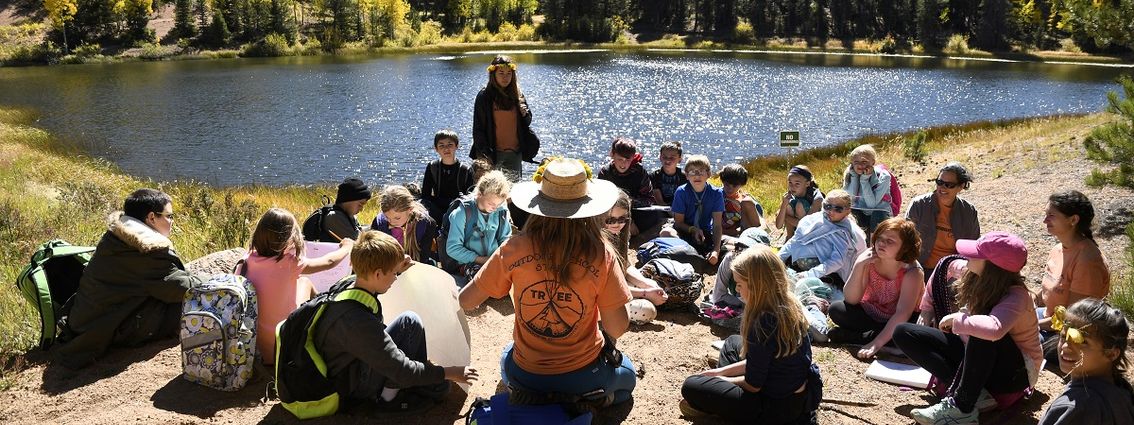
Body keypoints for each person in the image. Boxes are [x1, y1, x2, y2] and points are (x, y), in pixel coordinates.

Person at [458, 158, 637, 406]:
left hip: (527, 374)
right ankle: (588, 399)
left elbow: (467, 301)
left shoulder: (513, 248)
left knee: (507, 355)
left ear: (538, 205)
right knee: (628, 378)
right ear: (588, 206)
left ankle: (537, 397)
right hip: (583, 372)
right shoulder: (600, 254)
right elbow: (616, 328)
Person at [312, 231, 478, 411]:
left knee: (410, 322)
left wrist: (396, 263)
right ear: (377, 274)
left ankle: (406, 386)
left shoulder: (351, 282)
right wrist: (450, 372)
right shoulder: (356, 321)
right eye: (393, 273)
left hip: (351, 364)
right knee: (440, 387)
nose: (396, 278)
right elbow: (400, 369)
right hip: (352, 386)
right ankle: (386, 402)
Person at [893, 232, 1042, 424]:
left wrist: (959, 320)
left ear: (992, 266)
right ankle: (976, 394)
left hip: (1013, 375)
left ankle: (962, 407)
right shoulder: (974, 272)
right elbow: (943, 266)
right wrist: (927, 309)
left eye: (977, 253)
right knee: (904, 333)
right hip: (976, 356)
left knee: (982, 329)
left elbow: (994, 329)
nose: (968, 256)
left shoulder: (1017, 296)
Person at [55, 189, 205, 368]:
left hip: (89, 319)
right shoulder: (144, 248)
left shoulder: (117, 236)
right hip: (106, 328)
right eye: (169, 216)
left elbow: (161, 277)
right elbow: (177, 288)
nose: (172, 221)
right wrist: (208, 280)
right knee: (189, 306)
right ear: (151, 218)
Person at [680, 246, 822, 424]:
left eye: (739, 284)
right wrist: (719, 371)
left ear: (756, 285)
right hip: (795, 397)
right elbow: (766, 360)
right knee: (733, 343)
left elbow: (753, 385)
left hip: (774, 409)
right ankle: (722, 399)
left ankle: (726, 411)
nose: (737, 290)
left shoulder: (763, 323)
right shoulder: (788, 305)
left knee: (691, 385)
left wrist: (722, 379)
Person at [244, 208, 355, 364]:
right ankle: (323, 318)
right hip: (284, 347)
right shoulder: (289, 263)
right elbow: (329, 262)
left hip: (261, 349)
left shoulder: (247, 259)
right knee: (304, 282)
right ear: (289, 237)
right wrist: (346, 247)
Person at [827, 218, 925, 359]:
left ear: (905, 247)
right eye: (880, 238)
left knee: (908, 331)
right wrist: (858, 266)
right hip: (872, 312)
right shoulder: (869, 259)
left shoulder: (912, 272)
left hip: (900, 319)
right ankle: (880, 339)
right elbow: (851, 300)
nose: (881, 243)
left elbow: (903, 313)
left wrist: (875, 344)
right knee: (836, 310)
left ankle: (863, 337)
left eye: (890, 241)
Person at [1037, 190, 1111, 365]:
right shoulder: (1058, 249)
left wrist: (1033, 324)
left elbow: (1074, 318)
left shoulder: (1087, 261)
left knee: (1010, 336)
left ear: (1073, 220)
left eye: (1051, 216)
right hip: (1048, 319)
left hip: (1068, 335)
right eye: (1046, 215)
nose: (1045, 221)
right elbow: (1048, 291)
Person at [1038, 298, 1134, 425]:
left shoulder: (1075, 408)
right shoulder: (1121, 390)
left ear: (1111, 353)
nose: (1066, 346)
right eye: (1063, 336)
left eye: (1082, 342)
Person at [778, 189, 867, 289]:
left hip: (825, 275)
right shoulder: (812, 220)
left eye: (838, 209)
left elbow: (837, 261)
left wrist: (809, 275)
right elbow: (794, 241)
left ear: (847, 211)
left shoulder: (846, 232)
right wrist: (778, 259)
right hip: (797, 267)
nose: (831, 211)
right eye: (827, 206)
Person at [471, 55, 538, 181]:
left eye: (509, 73)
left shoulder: (517, 94)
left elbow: (527, 122)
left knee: (513, 194)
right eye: (501, 73)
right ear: (493, 74)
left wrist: (525, 114)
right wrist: (486, 154)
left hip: (514, 154)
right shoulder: (484, 96)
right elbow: (478, 128)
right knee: (492, 193)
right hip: (493, 155)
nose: (505, 77)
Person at [905, 162, 980, 272]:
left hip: (953, 271)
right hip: (920, 268)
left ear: (961, 186)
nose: (942, 188)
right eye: (939, 182)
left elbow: (973, 246)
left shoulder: (969, 211)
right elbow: (905, 238)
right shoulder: (919, 205)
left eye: (949, 185)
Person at [444, 170, 512, 285]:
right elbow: (453, 248)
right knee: (485, 281)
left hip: (494, 260)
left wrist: (500, 259)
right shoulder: (462, 213)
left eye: (499, 204)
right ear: (479, 194)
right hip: (469, 262)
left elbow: (505, 240)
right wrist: (481, 260)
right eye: (491, 204)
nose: (495, 208)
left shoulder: (502, 211)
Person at [603, 191, 668, 306]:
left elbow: (625, 265)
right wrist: (644, 293)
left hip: (617, 284)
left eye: (622, 219)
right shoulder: (597, 242)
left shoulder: (619, 234)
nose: (616, 224)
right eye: (610, 220)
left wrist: (646, 284)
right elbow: (604, 286)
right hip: (602, 291)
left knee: (658, 287)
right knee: (646, 310)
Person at [660, 154, 725, 265]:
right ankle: (690, 251)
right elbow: (679, 222)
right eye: (692, 172)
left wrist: (716, 250)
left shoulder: (716, 193)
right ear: (686, 175)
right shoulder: (681, 192)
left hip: (705, 231)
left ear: (708, 174)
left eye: (701, 171)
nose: (697, 175)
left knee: (731, 244)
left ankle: (692, 253)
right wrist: (693, 230)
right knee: (666, 232)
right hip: (685, 229)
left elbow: (717, 225)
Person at [372, 185, 439, 266]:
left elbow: (423, 259)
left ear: (410, 210)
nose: (391, 222)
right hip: (388, 267)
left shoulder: (426, 224)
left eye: (397, 218)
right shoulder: (379, 223)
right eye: (387, 217)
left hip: (415, 266)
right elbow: (375, 256)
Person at [421, 129, 474, 225]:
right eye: (441, 146)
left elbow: (470, 196)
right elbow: (425, 194)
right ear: (436, 149)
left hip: (458, 209)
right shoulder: (433, 166)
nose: (446, 149)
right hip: (437, 207)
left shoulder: (465, 169)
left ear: (457, 146)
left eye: (450, 145)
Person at [842, 144, 893, 240]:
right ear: (852, 163)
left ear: (873, 162)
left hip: (878, 211)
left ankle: (874, 247)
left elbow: (871, 205)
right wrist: (854, 178)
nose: (860, 165)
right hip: (859, 209)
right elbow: (850, 199)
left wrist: (864, 180)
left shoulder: (884, 176)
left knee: (877, 215)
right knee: (849, 216)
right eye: (856, 162)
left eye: (864, 161)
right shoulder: (850, 174)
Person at [775, 165, 823, 242]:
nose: (792, 187)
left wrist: (785, 217)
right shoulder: (789, 196)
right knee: (788, 206)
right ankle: (790, 239)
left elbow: (807, 224)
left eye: (797, 183)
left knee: (800, 205)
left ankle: (803, 240)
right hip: (797, 226)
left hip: (814, 232)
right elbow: (778, 226)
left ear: (807, 184)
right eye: (790, 182)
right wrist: (784, 205)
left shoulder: (817, 198)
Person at [719, 163, 764, 239]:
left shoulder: (745, 200)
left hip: (742, 235)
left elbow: (761, 224)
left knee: (747, 202)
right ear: (723, 182)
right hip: (720, 233)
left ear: (741, 184)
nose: (730, 189)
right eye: (727, 185)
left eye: (734, 186)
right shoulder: (717, 196)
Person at [320, 177, 372, 242]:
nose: (361, 209)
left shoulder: (348, 214)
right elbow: (357, 242)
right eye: (360, 204)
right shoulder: (334, 217)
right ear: (347, 201)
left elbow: (360, 231)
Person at [650, 141, 688, 206]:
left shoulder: (684, 177)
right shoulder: (654, 176)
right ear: (660, 157)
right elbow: (659, 201)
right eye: (664, 157)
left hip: (678, 209)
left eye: (672, 158)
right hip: (660, 210)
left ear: (680, 159)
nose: (667, 160)